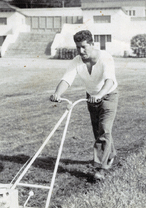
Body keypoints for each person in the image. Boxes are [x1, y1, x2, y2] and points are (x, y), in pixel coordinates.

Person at [50, 30, 118, 180]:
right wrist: (58, 93)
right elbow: (67, 79)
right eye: (78, 47)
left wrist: (99, 95)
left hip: (108, 96)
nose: (81, 51)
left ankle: (100, 169)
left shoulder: (105, 57)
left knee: (105, 129)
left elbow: (110, 80)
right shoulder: (76, 61)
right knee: (98, 131)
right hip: (91, 98)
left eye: (84, 47)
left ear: (92, 45)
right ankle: (110, 154)